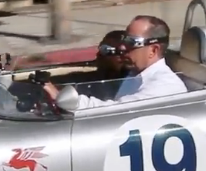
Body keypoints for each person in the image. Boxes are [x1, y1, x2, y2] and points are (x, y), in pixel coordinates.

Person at [43, 15, 187, 110]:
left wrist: (63, 99)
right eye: (125, 40)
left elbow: (114, 111)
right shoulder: (134, 74)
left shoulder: (165, 86)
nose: (122, 47)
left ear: (153, 50)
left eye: (132, 42)